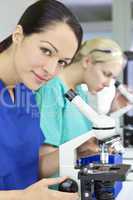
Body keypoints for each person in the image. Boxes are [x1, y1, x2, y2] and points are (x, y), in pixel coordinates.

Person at [0, 0, 83, 199]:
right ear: (18, 35)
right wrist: (21, 197)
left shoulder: (26, 91)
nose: (51, 70)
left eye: (62, 62)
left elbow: (27, 166)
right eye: (46, 51)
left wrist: (76, 150)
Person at [36, 37, 126, 172]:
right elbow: (42, 167)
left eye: (113, 78)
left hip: (76, 184)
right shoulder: (52, 89)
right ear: (87, 61)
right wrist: (79, 149)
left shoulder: (79, 93)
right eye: (106, 74)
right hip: (55, 190)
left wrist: (113, 111)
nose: (108, 83)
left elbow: (85, 144)